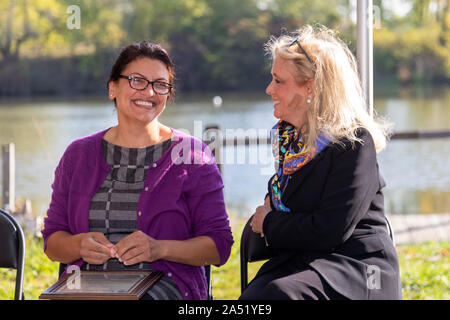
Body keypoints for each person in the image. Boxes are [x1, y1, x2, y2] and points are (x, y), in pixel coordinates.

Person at [42, 41, 234, 300]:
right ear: (113, 88)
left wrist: (159, 249)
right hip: (85, 287)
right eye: (137, 80)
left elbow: (219, 246)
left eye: (160, 84)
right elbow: (53, 241)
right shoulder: (77, 155)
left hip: (167, 287)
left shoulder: (192, 156)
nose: (149, 92)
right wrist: (78, 245)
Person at [239, 25, 402, 300]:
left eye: (278, 81)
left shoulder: (353, 143)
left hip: (357, 266)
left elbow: (329, 229)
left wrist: (268, 223)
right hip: (303, 258)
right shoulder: (289, 139)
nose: (269, 89)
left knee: (276, 295)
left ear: (311, 88)